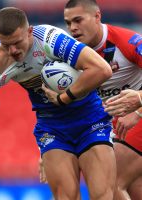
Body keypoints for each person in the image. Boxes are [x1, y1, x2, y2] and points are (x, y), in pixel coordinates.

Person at [0, 6, 116, 200]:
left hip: (90, 120)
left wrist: (65, 97)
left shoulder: (51, 40)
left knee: (102, 196)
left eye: (17, 42)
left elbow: (102, 69)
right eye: (5, 45)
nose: (13, 50)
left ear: (29, 32)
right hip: (52, 127)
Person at [62, 0, 142, 199]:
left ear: (97, 16)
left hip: (137, 117)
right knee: (134, 188)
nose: (73, 28)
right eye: (68, 22)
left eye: (78, 20)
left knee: (110, 182)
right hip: (114, 127)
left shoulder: (130, 42)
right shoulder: (69, 55)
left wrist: (139, 107)